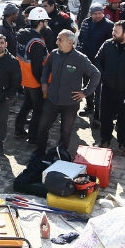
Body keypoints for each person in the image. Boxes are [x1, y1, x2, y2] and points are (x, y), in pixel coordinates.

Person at [33, 30, 101, 163]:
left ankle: (60, 155)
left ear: (70, 42)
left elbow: (96, 74)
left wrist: (86, 92)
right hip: (52, 99)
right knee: (42, 127)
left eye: (60, 40)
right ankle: (39, 152)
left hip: (70, 103)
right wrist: (44, 82)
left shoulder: (80, 58)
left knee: (66, 132)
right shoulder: (54, 54)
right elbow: (46, 67)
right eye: (57, 39)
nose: (56, 42)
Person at [95, 21, 125, 158]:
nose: (113, 34)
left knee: (124, 119)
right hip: (108, 89)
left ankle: (124, 145)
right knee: (105, 117)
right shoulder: (107, 44)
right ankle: (105, 142)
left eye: (116, 32)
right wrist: (103, 75)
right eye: (113, 31)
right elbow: (98, 60)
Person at [14, 8, 50, 141]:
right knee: (38, 110)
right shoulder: (37, 42)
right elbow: (36, 67)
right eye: (45, 21)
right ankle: (34, 138)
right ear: (40, 23)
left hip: (25, 79)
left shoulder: (23, 35)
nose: (46, 24)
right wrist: (43, 83)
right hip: (34, 81)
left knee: (27, 104)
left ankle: (18, 129)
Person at [77, 3, 112, 119]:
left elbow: (110, 45)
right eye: (95, 14)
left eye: (100, 13)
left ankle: (98, 113)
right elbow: (81, 38)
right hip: (85, 60)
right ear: (91, 14)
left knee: (98, 87)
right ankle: (89, 106)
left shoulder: (108, 26)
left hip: (99, 62)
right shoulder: (85, 23)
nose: (98, 16)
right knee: (86, 84)